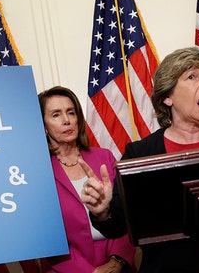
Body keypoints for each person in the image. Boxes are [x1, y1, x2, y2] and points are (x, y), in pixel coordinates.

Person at [80, 47, 199, 272]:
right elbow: (116, 226)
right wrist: (103, 211)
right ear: (167, 97)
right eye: (192, 77)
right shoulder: (141, 153)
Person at [38, 86, 136, 273]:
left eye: (71, 112)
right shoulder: (39, 172)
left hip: (118, 264)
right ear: (43, 125)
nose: (67, 121)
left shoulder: (104, 157)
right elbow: (45, 238)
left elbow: (126, 212)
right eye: (56, 115)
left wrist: (117, 261)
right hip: (67, 267)